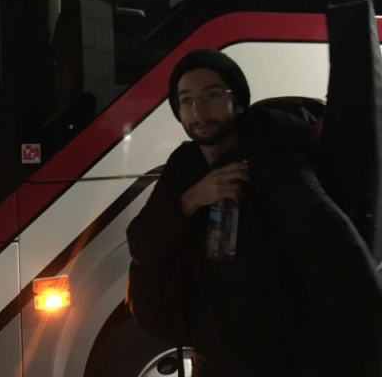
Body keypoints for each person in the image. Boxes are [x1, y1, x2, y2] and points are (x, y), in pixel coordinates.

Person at [126, 48, 382, 377]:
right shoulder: (185, 165)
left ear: (238, 102)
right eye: (186, 100)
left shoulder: (276, 162)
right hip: (210, 355)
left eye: (212, 95)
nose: (198, 110)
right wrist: (192, 199)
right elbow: (141, 243)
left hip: (271, 360)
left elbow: (339, 252)